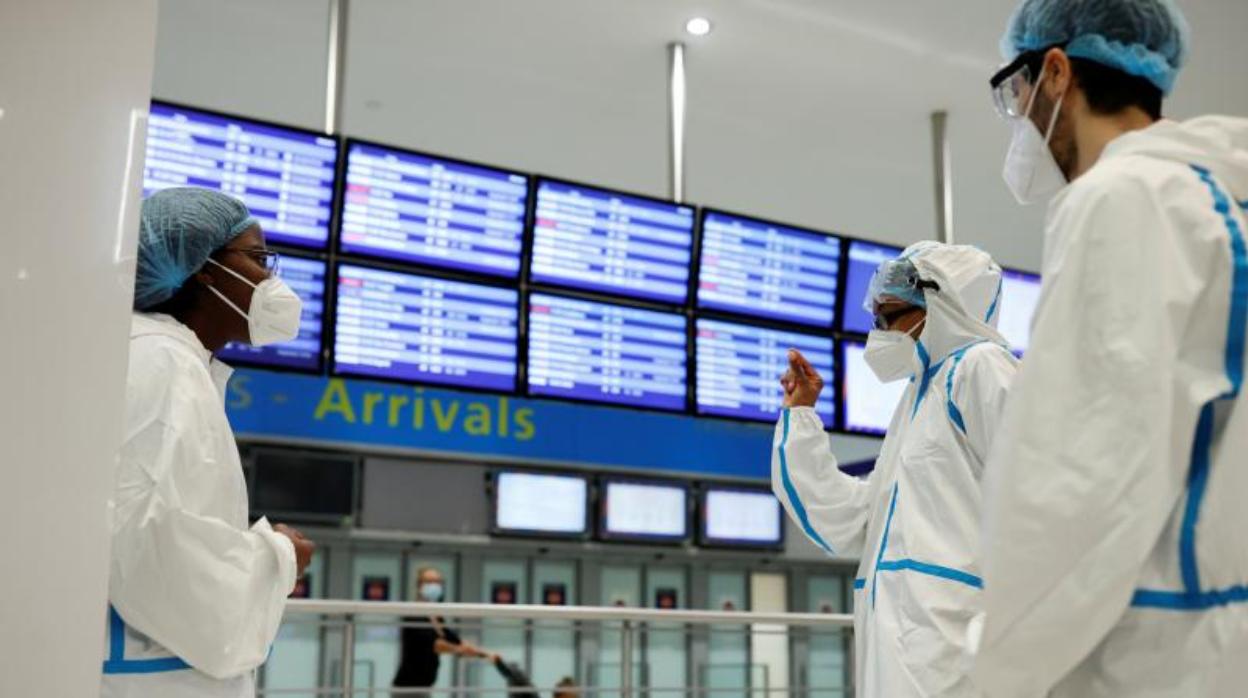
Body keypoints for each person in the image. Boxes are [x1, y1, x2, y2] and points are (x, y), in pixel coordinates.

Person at [970, 1, 1248, 696]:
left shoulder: (1121, 198)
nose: (1022, 120)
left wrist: (1000, 665)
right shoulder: (1220, 197)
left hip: (1152, 651)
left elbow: (1076, 477)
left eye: (1017, 92)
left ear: (1056, 72)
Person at [773, 242, 1018, 697]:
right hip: (900, 650)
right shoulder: (917, 401)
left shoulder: (981, 368)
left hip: (954, 647)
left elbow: (1041, 503)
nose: (880, 331)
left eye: (891, 317)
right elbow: (847, 520)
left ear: (942, 306)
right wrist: (802, 419)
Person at [104, 187, 316, 697]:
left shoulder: (160, 358)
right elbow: (153, 544)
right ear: (204, 268)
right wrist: (279, 556)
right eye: (259, 259)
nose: (270, 279)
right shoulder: (163, 364)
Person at [393, 568, 497, 696]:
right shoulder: (413, 614)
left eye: (438, 582)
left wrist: (486, 654)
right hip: (407, 689)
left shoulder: (436, 616)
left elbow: (456, 641)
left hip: (424, 688)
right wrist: (458, 650)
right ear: (419, 586)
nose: (434, 586)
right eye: (429, 582)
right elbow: (436, 645)